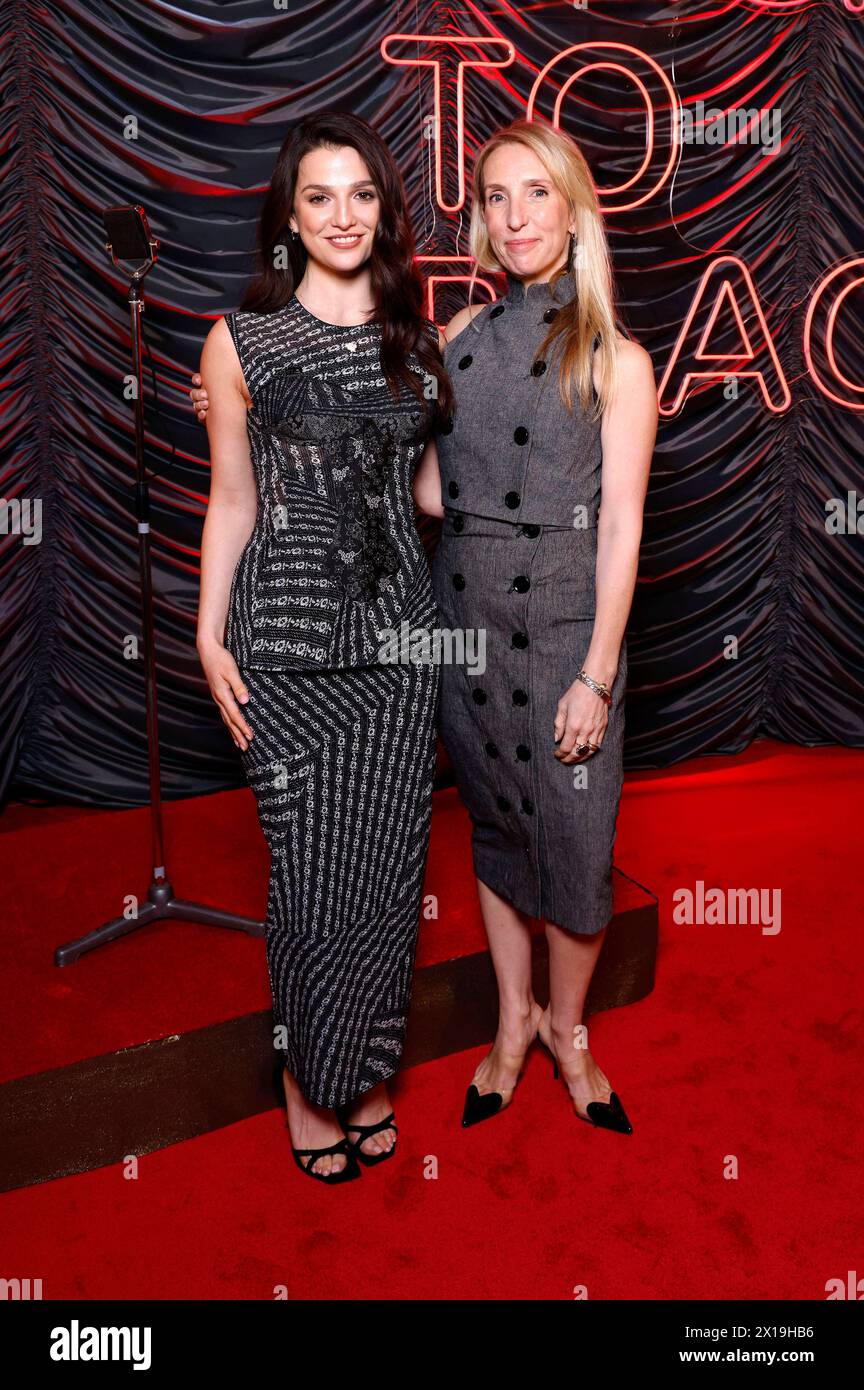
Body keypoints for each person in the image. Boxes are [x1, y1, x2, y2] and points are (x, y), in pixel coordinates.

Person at [194, 110, 451, 1182]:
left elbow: (432, 496)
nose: (344, 215)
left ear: (385, 210)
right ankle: (308, 1081)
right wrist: (209, 635)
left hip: (401, 650)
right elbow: (231, 501)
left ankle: (371, 1066)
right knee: (307, 880)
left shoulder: (417, 340)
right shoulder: (240, 342)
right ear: (289, 218)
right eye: (319, 197)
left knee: (389, 873)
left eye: (362, 194)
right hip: (286, 654)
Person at [413, 118, 657, 1134]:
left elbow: (623, 526)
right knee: (498, 836)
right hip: (465, 622)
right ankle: (511, 1024)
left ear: (574, 208)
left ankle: (569, 1031)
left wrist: (596, 673)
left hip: (562, 634)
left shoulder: (616, 356)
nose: (515, 218)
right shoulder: (461, 338)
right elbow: (431, 492)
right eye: (495, 198)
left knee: (577, 850)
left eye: (535, 195)